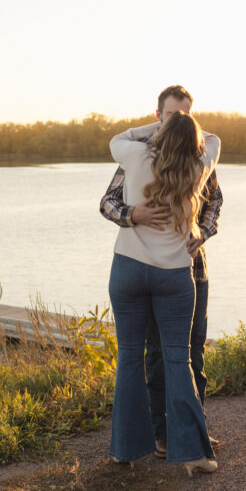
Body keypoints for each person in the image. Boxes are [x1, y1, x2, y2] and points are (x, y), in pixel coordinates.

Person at [100, 85, 223, 456]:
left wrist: (201, 234)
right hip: (164, 270)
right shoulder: (195, 158)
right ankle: (163, 435)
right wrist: (132, 214)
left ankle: (191, 431)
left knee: (192, 351)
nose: (178, 121)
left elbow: (214, 202)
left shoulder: (160, 156)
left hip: (188, 264)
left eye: (185, 115)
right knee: (164, 355)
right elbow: (107, 202)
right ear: (159, 117)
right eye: (171, 115)